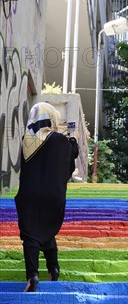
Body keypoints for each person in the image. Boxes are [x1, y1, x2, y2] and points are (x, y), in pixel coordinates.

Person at [14, 102, 79, 292]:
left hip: (29, 196)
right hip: (54, 196)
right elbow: (70, 162)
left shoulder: (26, 141)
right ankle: (54, 269)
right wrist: (72, 141)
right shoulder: (60, 141)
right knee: (48, 231)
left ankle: (32, 275)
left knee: (31, 235)